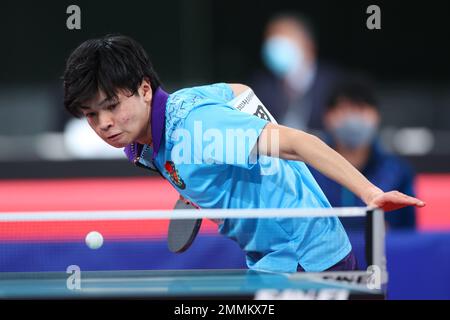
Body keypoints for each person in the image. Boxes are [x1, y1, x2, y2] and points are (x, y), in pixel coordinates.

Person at [62, 35, 425, 273]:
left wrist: (370, 193)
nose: (104, 123)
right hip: (268, 258)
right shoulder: (143, 140)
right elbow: (238, 91)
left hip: (307, 261)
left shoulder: (198, 127)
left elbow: (301, 143)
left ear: (143, 89)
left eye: (111, 106)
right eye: (91, 114)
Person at [309, 78, 417, 230]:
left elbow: (408, 234)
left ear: (376, 115)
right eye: (345, 109)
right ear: (328, 115)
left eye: (361, 109)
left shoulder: (397, 170)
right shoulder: (309, 169)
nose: (353, 118)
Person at [250, 13, 345, 132]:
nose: (276, 48)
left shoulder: (334, 83)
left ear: (308, 45)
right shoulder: (261, 86)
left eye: (283, 41)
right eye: (271, 40)